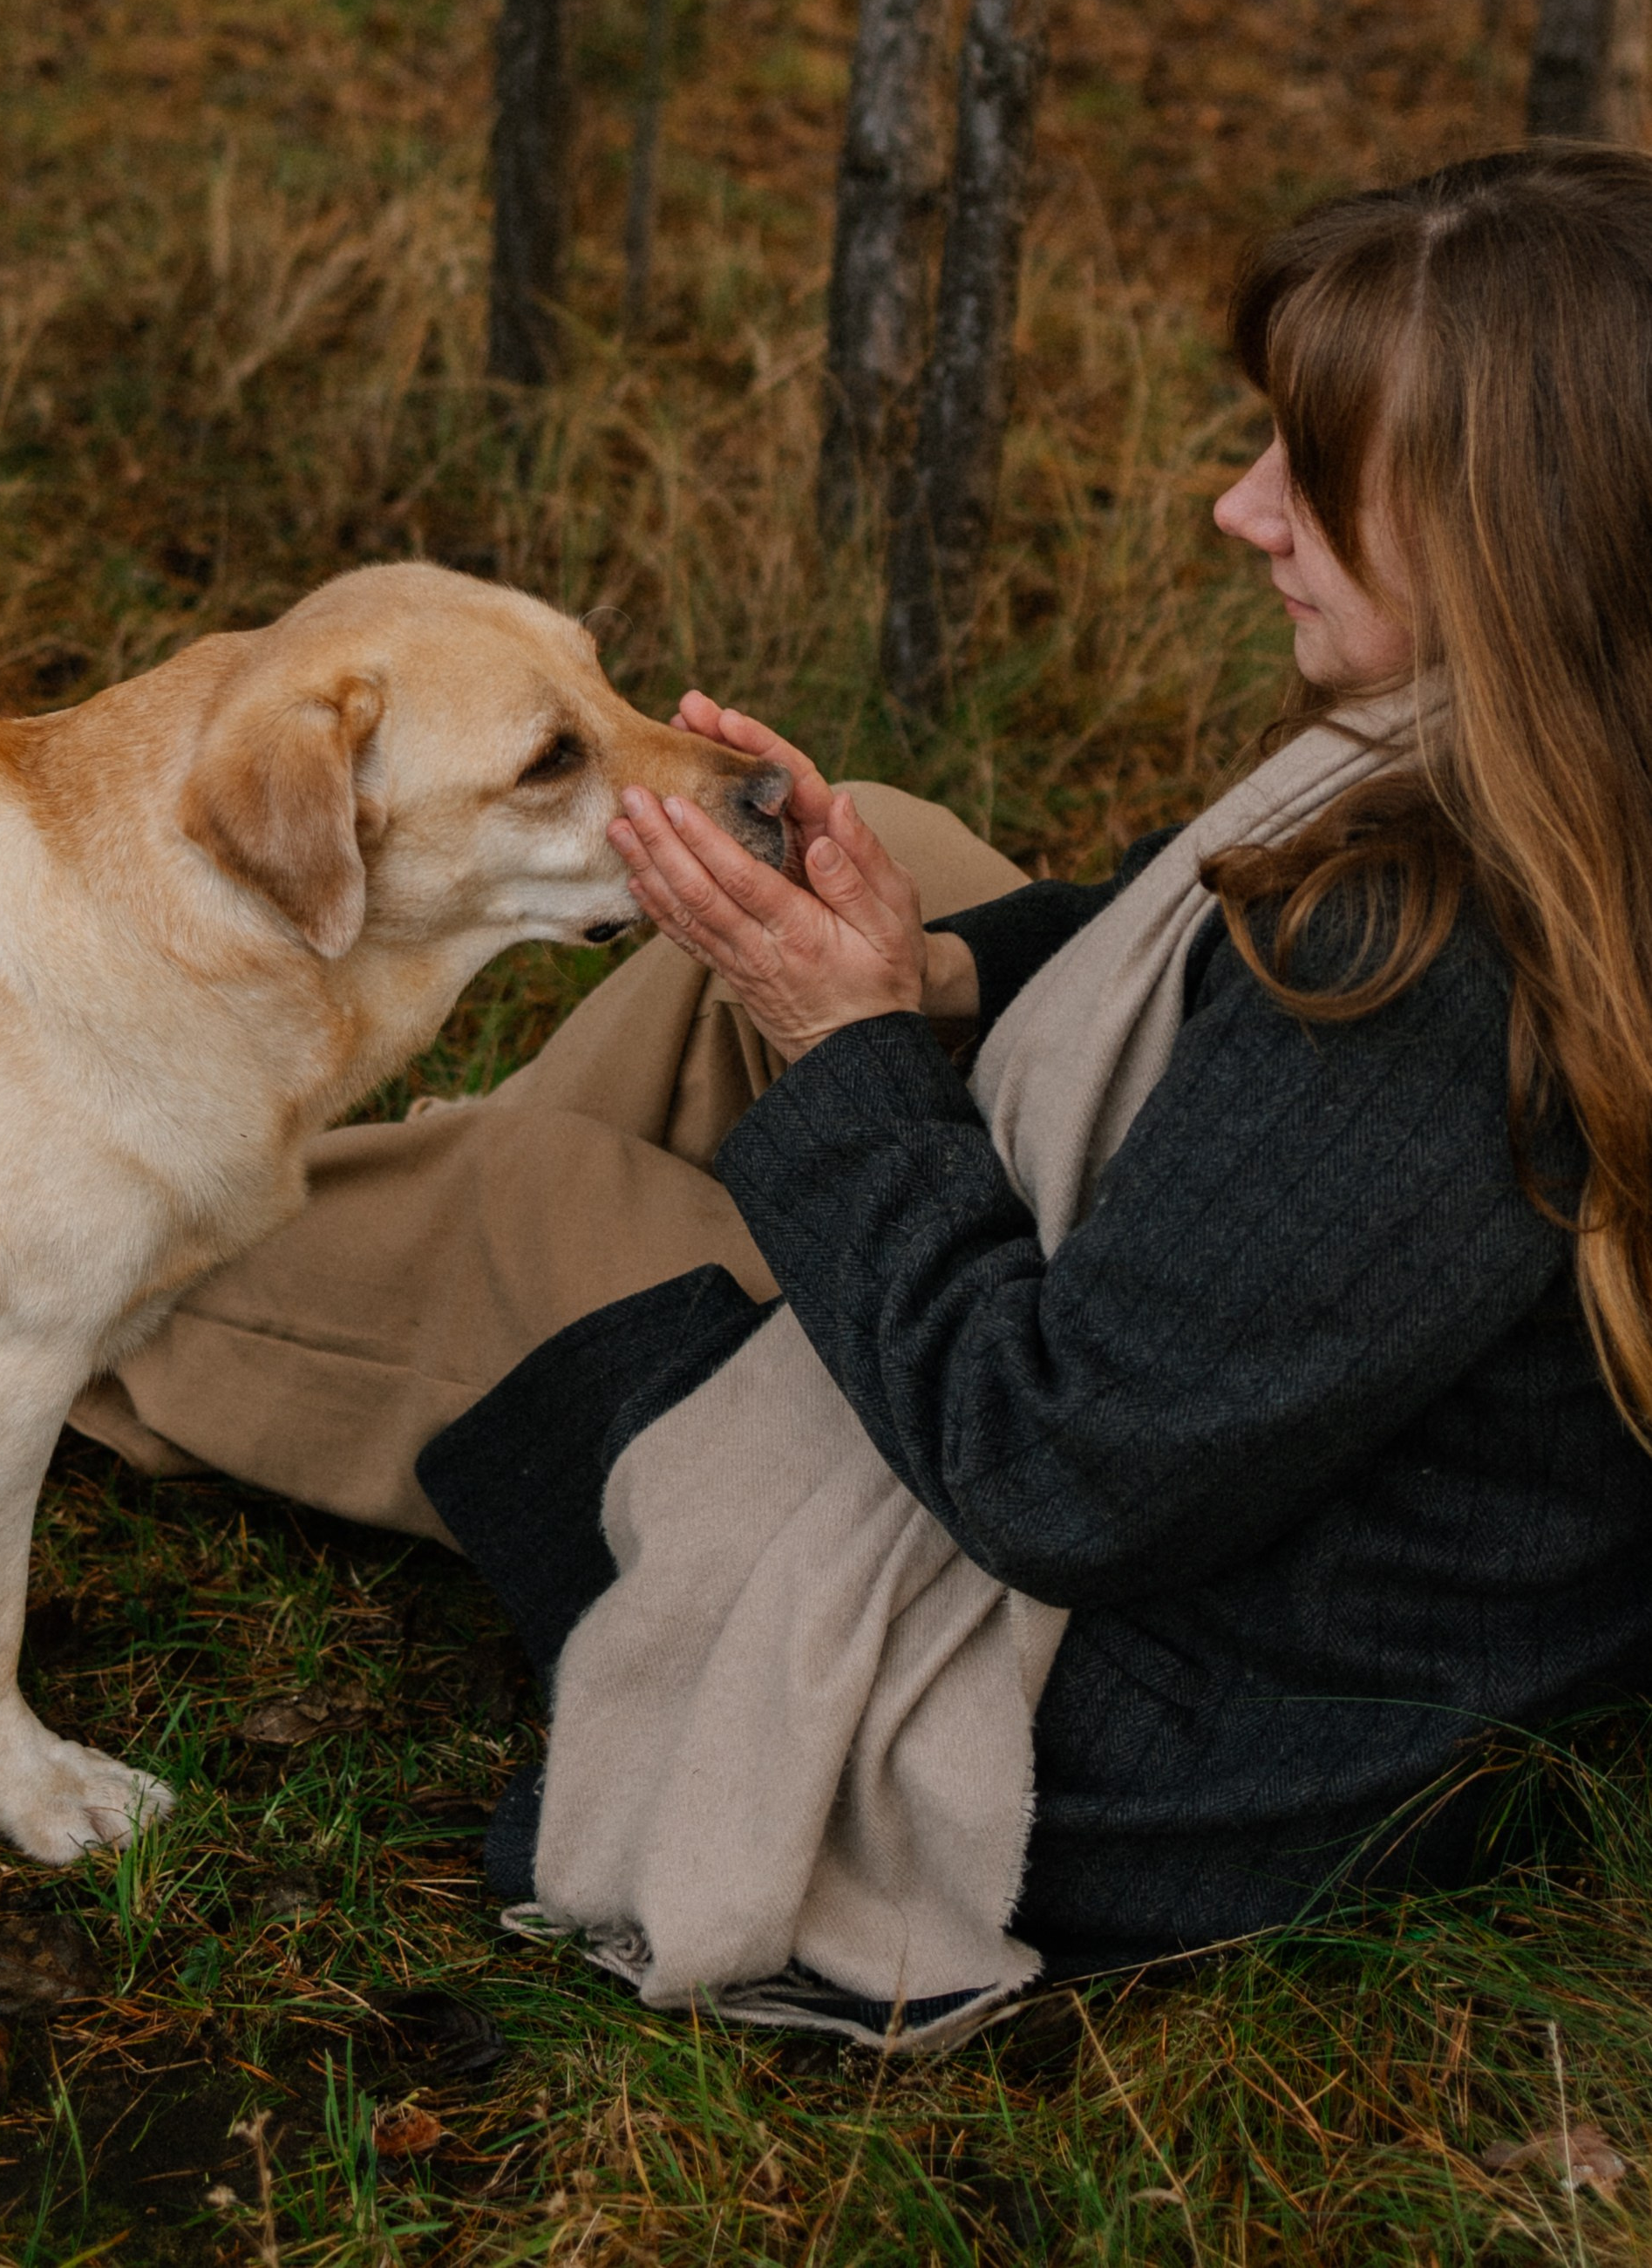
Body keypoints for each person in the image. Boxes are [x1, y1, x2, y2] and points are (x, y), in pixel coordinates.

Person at [79, 141, 1652, 2015]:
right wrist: (924, 968)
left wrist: (844, 1047)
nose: (1237, 511)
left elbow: (1055, 1471)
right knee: (864, 856)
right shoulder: (1559, 745)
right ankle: (378, 1240)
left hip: (1161, 1724)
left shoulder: (1430, 959)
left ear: (1515, 525)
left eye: (1306, 474)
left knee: (531, 1206)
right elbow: (1173, 920)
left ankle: (46, 1297)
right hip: (1302, 1515)